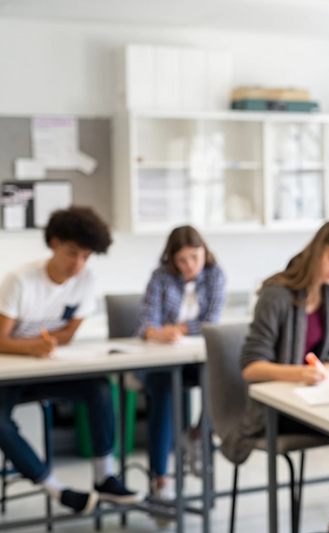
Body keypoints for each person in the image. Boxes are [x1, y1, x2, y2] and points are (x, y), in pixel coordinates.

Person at [228, 220, 329, 533]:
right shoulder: (276, 293)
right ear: (317, 251)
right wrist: (301, 373)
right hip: (276, 411)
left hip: (314, 400)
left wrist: (326, 371)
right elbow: (250, 366)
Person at [0, 206, 142, 515]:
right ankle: (56, 489)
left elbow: (66, 334)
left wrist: (45, 345)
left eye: (85, 256)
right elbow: (1, 339)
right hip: (10, 375)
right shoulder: (20, 280)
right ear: (53, 243)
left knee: (100, 389)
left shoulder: (86, 280)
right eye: (71, 253)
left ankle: (105, 477)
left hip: (48, 371)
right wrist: (31, 348)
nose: (77, 264)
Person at [136, 225, 225, 511]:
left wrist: (179, 328)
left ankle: (198, 436)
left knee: (222, 377)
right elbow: (146, 324)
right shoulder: (160, 278)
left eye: (195, 257)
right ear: (171, 259)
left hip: (195, 361)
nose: (190, 266)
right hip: (161, 361)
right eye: (182, 260)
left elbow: (211, 322)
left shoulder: (215, 275)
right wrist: (157, 332)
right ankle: (160, 480)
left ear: (204, 253)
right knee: (163, 391)